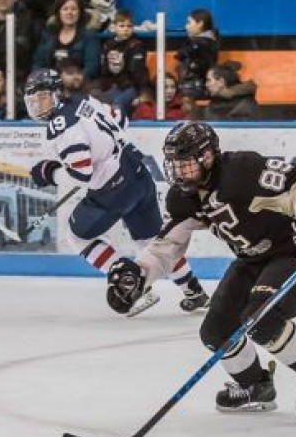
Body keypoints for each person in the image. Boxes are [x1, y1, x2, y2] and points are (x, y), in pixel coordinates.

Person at [106, 121, 296, 419]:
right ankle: (255, 386)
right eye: (175, 165)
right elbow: (168, 245)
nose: (179, 173)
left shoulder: (242, 170)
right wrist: (139, 276)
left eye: (186, 165)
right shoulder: (182, 198)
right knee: (216, 331)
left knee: (262, 321)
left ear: (208, 156)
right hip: (251, 260)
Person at [23, 69, 210, 315]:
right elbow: (120, 118)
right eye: (33, 100)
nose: (38, 105)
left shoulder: (60, 127)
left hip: (113, 188)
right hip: (137, 169)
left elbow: (82, 174)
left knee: (78, 236)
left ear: (57, 93)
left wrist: (49, 173)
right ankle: (194, 292)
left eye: (43, 97)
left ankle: (131, 286)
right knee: (153, 242)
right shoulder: (83, 100)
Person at [32, 0, 101, 81]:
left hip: (79, 85)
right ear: (58, 12)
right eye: (65, 9)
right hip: (50, 84)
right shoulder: (48, 34)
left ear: (80, 12)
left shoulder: (90, 36)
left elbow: (92, 68)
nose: (69, 12)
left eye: (74, 9)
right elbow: (38, 63)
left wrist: (73, 79)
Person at [97, 10, 150, 117]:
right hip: (114, 87)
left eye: (129, 26)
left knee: (118, 104)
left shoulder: (136, 45)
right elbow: (104, 70)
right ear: (114, 27)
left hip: (131, 87)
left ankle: (120, 129)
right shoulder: (108, 45)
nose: (126, 29)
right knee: (98, 103)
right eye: (122, 26)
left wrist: (141, 93)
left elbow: (138, 72)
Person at [174, 8, 219, 100]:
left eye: (189, 22)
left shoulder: (200, 43)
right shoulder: (208, 42)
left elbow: (180, 55)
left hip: (194, 88)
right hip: (195, 87)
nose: (186, 26)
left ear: (200, 24)